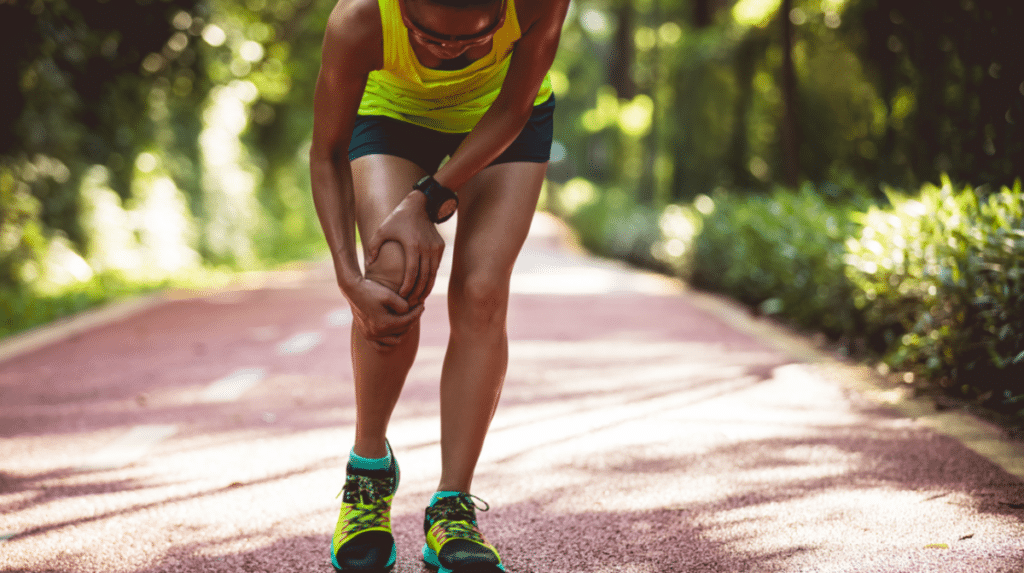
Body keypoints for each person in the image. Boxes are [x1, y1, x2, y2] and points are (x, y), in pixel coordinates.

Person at [309, 0, 570, 570]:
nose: (449, 52)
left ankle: (452, 507)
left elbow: (514, 106)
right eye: (429, 38)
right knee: (394, 275)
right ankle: (369, 474)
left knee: (481, 291)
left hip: (502, 119)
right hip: (395, 115)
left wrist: (426, 196)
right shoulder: (359, 20)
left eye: (470, 42)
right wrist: (348, 276)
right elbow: (326, 150)